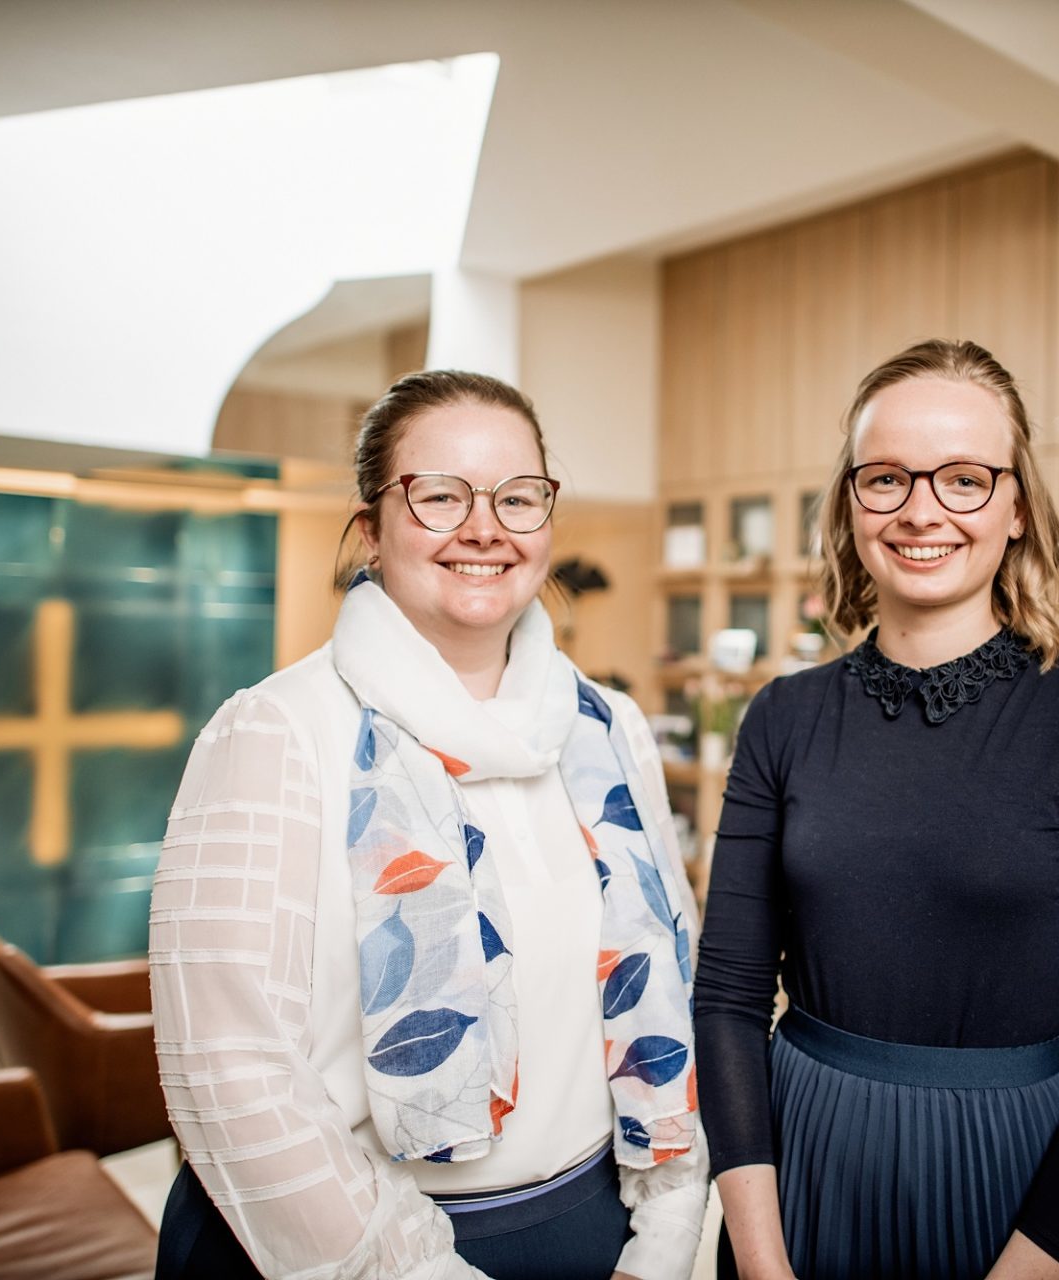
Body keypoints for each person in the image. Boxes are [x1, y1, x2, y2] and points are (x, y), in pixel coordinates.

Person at [151, 370, 708, 1280]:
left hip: (589, 1232)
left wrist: (666, 1234)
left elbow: (671, 986)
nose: (484, 528)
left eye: (517, 498)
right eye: (440, 496)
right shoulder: (275, 730)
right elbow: (231, 1073)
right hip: (346, 1251)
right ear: (370, 528)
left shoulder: (611, 728)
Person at [694, 340, 1059, 1280]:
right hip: (800, 1175)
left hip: (1020, 1193)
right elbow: (725, 1003)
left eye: (964, 479)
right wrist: (762, 1263)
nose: (922, 510)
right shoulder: (783, 717)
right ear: (850, 505)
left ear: (1015, 509)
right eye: (886, 478)